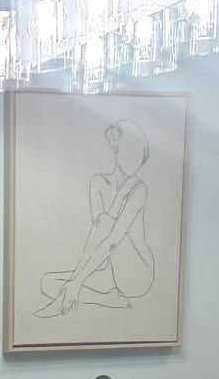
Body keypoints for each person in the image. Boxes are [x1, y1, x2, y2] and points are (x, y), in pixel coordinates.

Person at [36, 118, 155, 315]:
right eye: (132, 153)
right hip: (109, 264)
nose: (135, 163)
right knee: (47, 282)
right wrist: (77, 280)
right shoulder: (97, 183)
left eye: (139, 159)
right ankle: (108, 298)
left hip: (138, 269)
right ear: (117, 149)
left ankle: (77, 290)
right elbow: (98, 235)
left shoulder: (138, 189)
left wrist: (77, 280)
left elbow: (113, 239)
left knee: (105, 221)